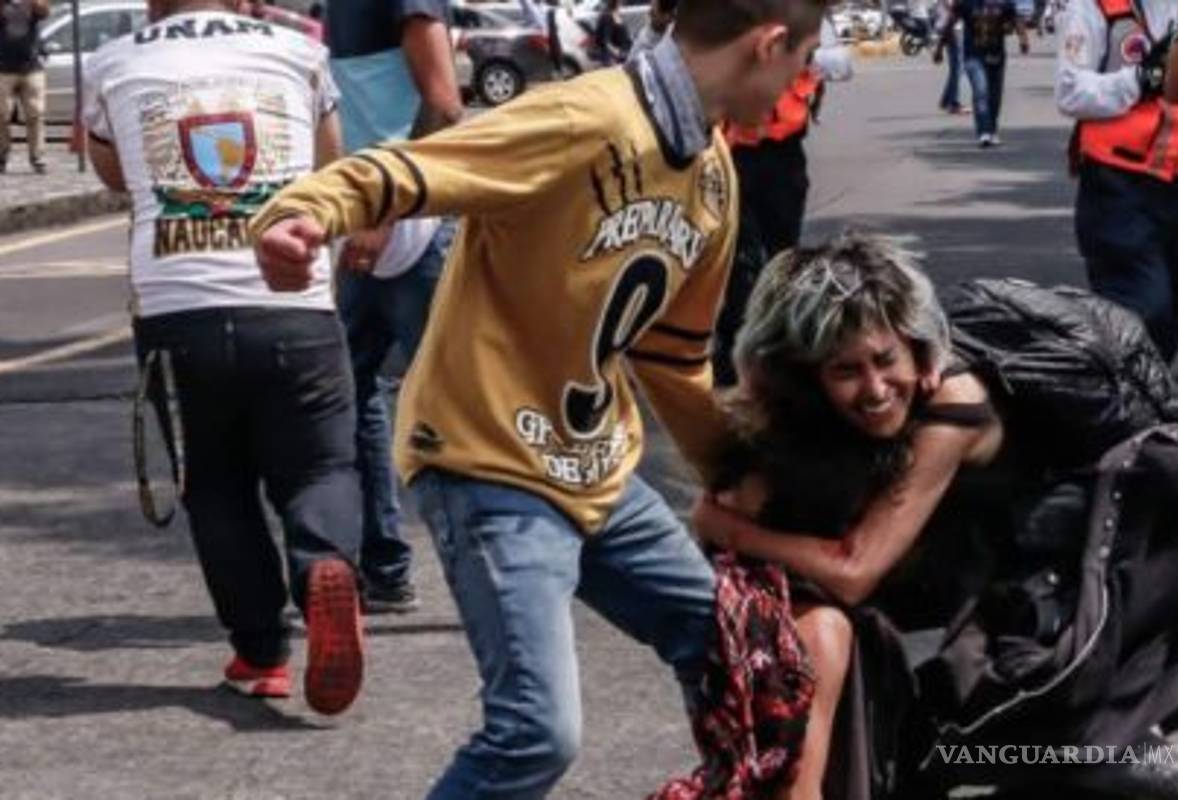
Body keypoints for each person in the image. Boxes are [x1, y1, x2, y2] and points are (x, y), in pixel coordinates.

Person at [250, 0, 827, 794]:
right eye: (806, 57)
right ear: (767, 45)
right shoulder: (581, 118)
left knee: (737, 647)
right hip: (488, 462)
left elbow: (673, 358)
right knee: (535, 732)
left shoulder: (714, 177)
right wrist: (302, 215)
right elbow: (408, 169)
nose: (808, 77)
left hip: (597, 470)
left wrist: (744, 476)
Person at [695, 231, 1178, 797]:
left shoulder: (953, 400)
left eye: (886, 360)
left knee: (971, 745)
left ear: (917, 346)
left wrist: (726, 528)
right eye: (846, 371)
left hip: (1092, 579)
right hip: (1015, 560)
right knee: (950, 744)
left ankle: (1136, 761)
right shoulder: (837, 400)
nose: (876, 388)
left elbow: (855, 569)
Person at [82, 0, 364, 716]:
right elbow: (331, 159)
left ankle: (262, 651)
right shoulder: (298, 49)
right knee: (319, 466)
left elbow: (113, 174)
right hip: (294, 300)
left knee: (215, 483)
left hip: (177, 312)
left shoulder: (117, 60)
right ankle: (324, 564)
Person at [326, 0, 462, 613]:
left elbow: (443, 104)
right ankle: (384, 566)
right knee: (353, 398)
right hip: (367, 229)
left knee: (455, 416)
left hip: (414, 230)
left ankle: (491, 572)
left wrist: (385, 215)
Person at [1056, 0, 1178, 363]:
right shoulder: (1094, 8)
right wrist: (1139, 80)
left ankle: (1144, 406)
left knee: (1168, 322)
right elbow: (1070, 92)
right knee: (1140, 310)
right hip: (1117, 186)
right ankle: (1120, 408)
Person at [713, 13, 852, 386]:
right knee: (736, 260)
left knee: (780, 258)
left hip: (782, 157)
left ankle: (779, 346)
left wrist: (801, 51)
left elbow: (841, 65)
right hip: (729, 157)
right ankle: (736, 354)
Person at [934, 0, 1029, 146]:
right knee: (980, 91)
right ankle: (984, 132)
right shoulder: (966, 3)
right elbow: (950, 23)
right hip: (973, 56)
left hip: (996, 56)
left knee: (994, 97)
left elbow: (1016, 19)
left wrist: (1023, 39)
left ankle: (992, 130)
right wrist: (940, 48)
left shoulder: (1004, 3)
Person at [0, 0, 48, 174]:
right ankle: (2, 155)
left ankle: (38, 157)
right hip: (3, 67)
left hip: (31, 66)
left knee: (35, 113)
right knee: (1, 114)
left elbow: (44, 11)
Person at [934, 0, 967, 113]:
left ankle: (946, 100)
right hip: (953, 31)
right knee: (958, 69)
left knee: (956, 70)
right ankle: (954, 103)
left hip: (949, 29)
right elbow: (952, 12)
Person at [592, 0, 632, 65]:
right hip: (620, 55)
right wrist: (618, 53)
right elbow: (607, 42)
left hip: (627, 50)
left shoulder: (616, 13)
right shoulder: (607, 16)